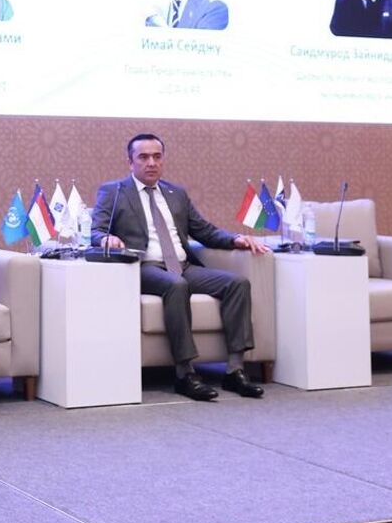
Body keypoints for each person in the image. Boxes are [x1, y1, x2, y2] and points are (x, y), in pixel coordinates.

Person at [90, 132, 268, 401]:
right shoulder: (114, 192)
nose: (151, 163)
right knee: (177, 285)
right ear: (130, 162)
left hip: (182, 265)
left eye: (157, 157)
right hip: (144, 266)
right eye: (143, 157)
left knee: (237, 283)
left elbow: (204, 230)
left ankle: (235, 370)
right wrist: (107, 238)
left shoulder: (176, 193)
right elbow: (96, 231)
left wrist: (235, 239)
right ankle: (185, 374)